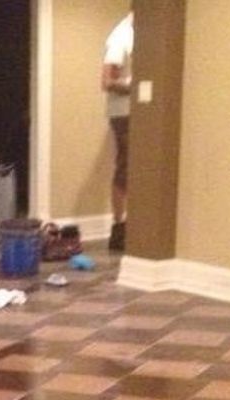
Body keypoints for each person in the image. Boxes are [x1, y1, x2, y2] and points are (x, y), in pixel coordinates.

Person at [102, 10, 133, 252]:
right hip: (123, 113)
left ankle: (135, 224)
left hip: (142, 112)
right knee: (125, 165)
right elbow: (106, 82)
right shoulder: (121, 36)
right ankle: (119, 226)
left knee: (137, 168)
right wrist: (134, 83)